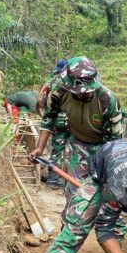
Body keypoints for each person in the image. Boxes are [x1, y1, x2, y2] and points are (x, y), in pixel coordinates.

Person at [29, 56, 125, 253]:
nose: (84, 95)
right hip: (78, 146)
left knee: (111, 203)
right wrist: (40, 148)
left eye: (87, 92)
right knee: (74, 201)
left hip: (106, 150)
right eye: (79, 92)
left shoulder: (107, 99)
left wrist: (106, 175)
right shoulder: (59, 92)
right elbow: (49, 119)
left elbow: (115, 144)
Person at [39, 59, 70, 188]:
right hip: (73, 121)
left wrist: (43, 115)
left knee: (57, 148)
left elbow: (40, 100)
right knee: (75, 150)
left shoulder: (52, 81)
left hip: (57, 120)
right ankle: (71, 179)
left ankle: (53, 178)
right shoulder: (74, 80)